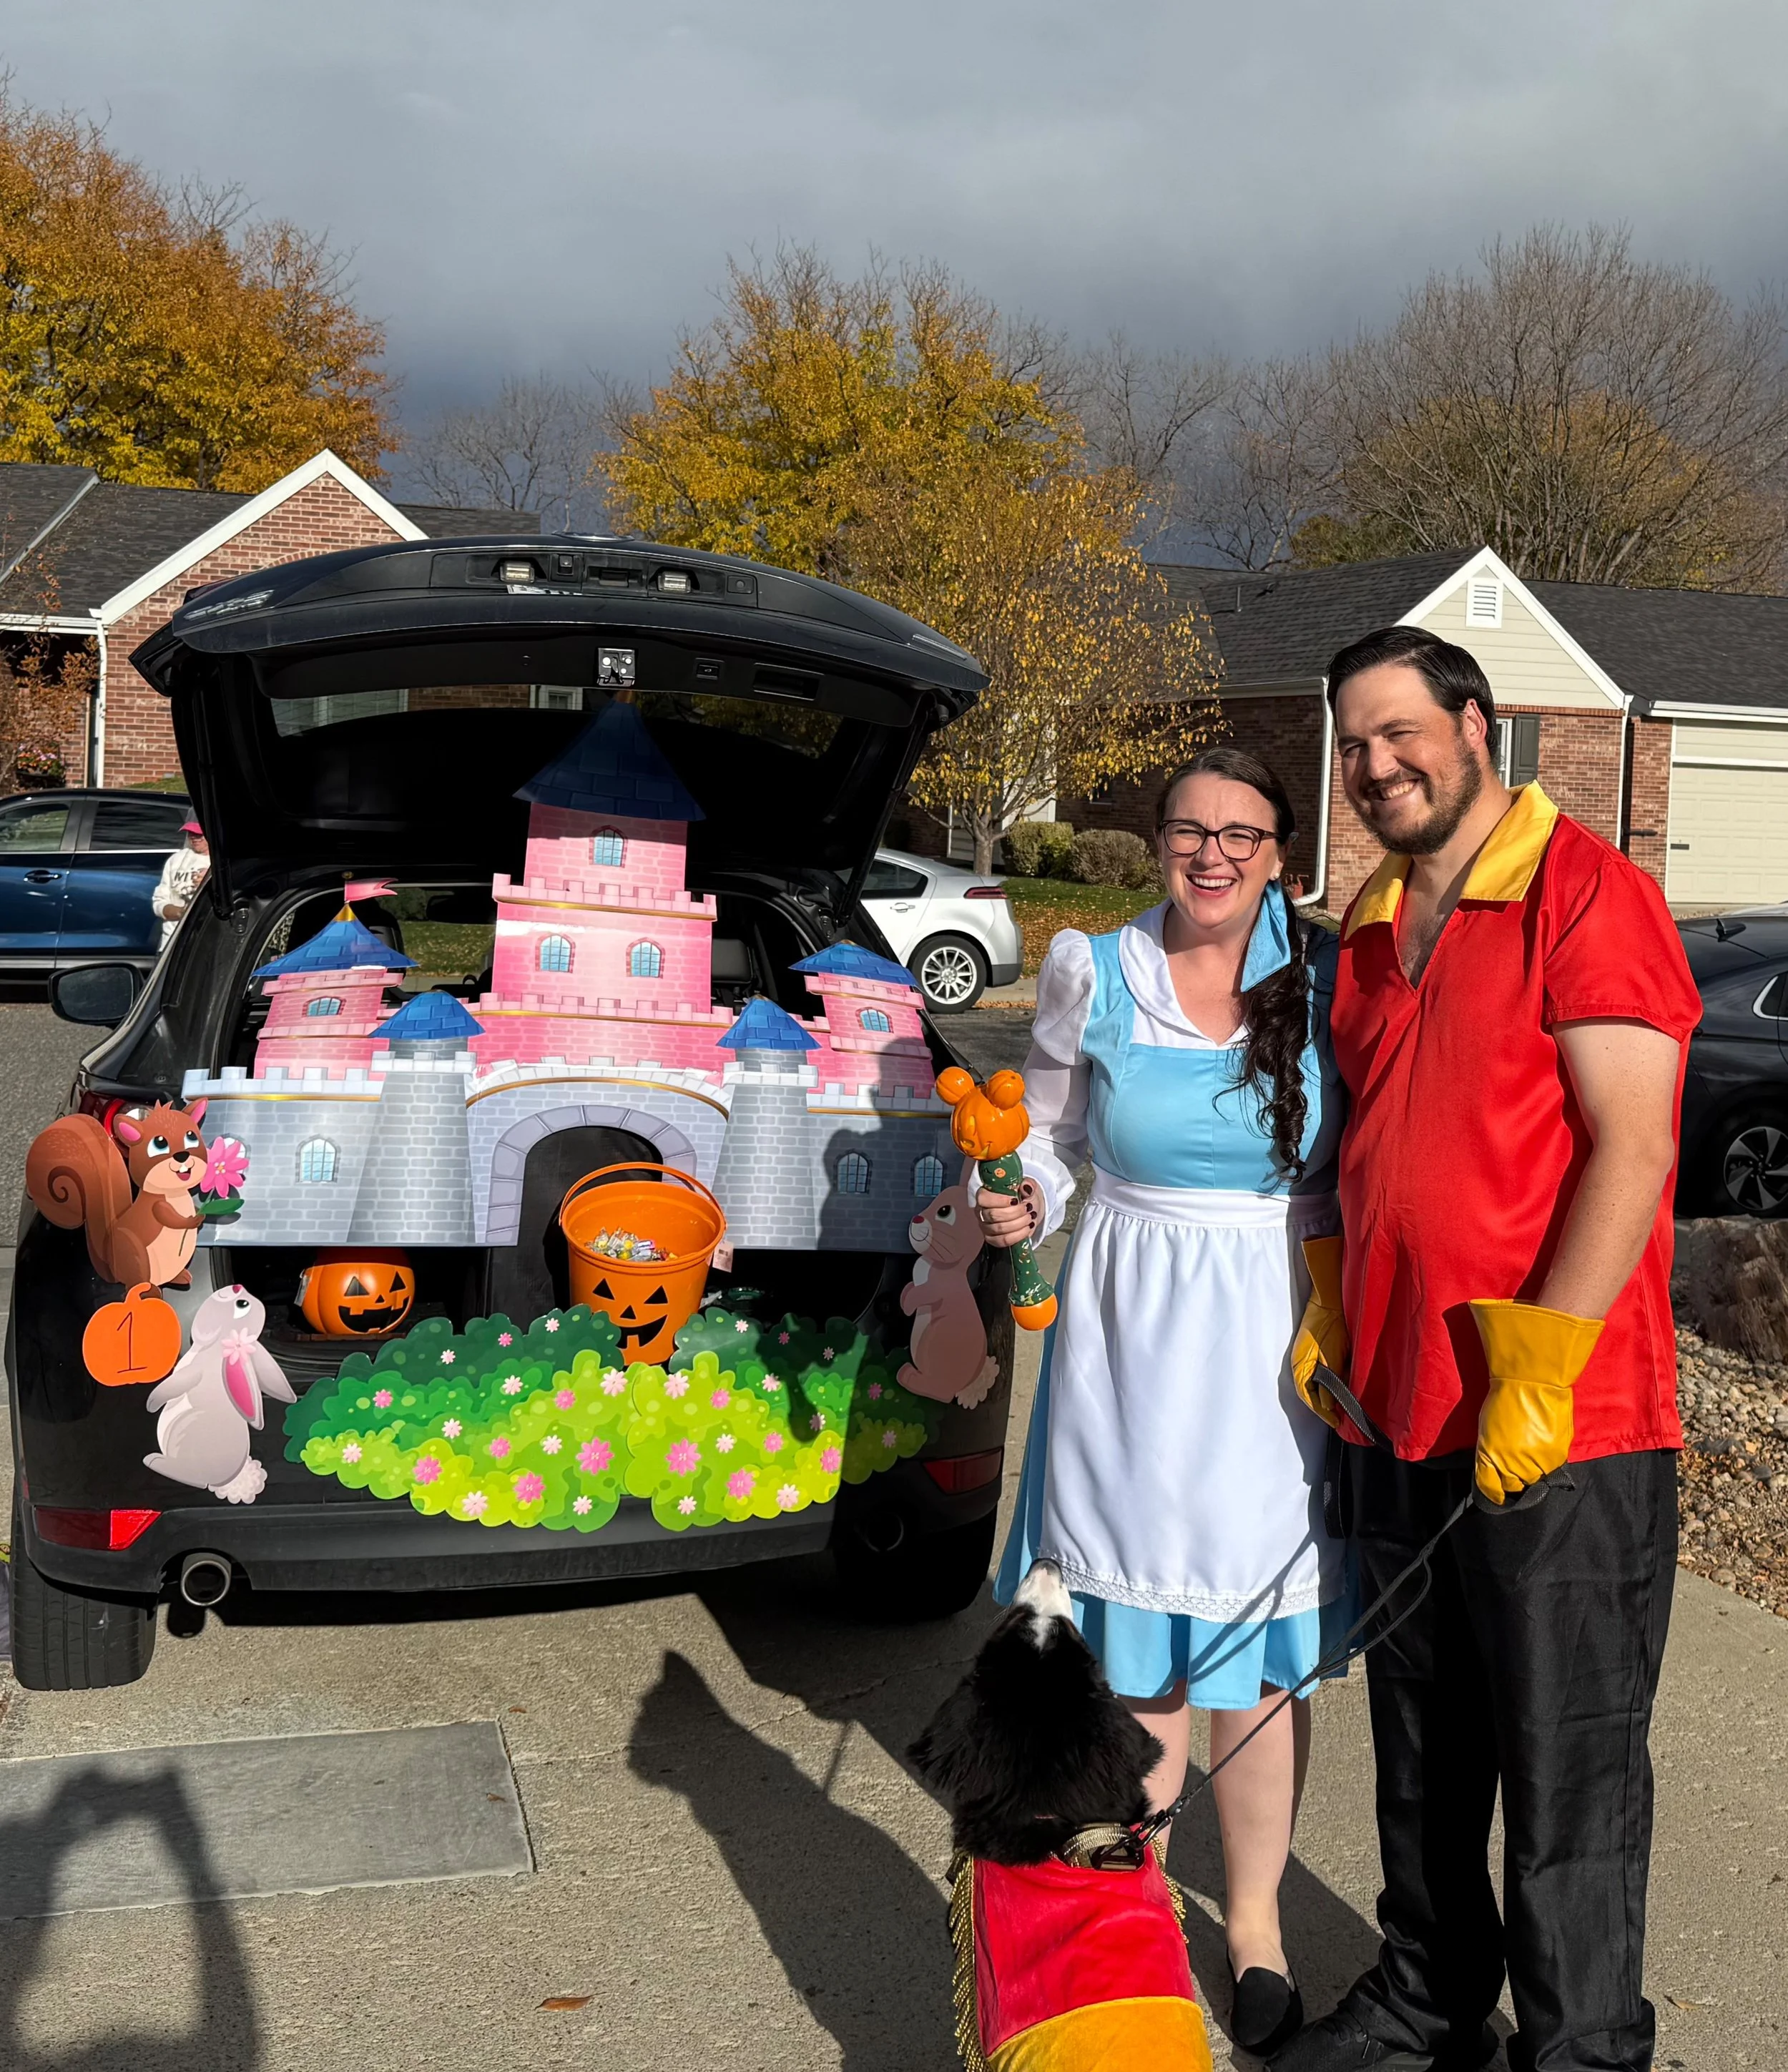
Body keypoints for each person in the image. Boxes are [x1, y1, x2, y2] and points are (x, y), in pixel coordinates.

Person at [1277, 627, 1699, 2072]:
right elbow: (1372, 1148)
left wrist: (1540, 1363)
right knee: (1424, 1744)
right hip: (1400, 1410)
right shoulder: (1378, 923)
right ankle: (1425, 1995)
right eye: (1351, 744)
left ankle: (1581, 2041)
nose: (1374, 763)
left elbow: (1633, 1145)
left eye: (1399, 731)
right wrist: (1331, 1300)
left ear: (1474, 724)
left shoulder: (1586, 889)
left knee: (1563, 1755)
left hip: (1561, 1427)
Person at [983, 745, 1350, 2061]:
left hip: (1272, 1344)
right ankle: (1131, 1919)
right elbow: (1050, 1132)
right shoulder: (1096, 967)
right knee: (1136, 1648)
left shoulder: (1329, 979)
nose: (1213, 853)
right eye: (1189, 830)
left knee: (1251, 1651)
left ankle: (1254, 1926)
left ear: (1280, 853)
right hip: (1131, 1334)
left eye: (1241, 834)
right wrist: (1017, 1191)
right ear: (1158, 842)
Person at [152, 819, 210, 946]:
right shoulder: (176, 860)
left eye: (199, 834)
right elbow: (159, 902)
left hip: (204, 942)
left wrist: (209, 882)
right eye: (190, 833)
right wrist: (182, 913)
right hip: (172, 942)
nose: (194, 838)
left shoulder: (222, 863)